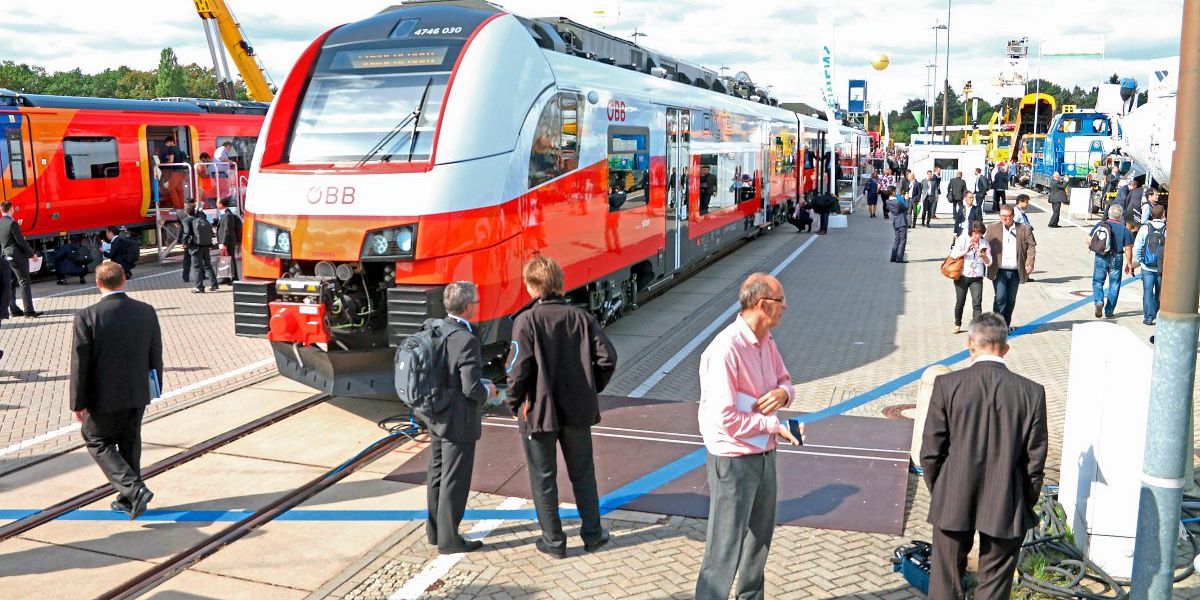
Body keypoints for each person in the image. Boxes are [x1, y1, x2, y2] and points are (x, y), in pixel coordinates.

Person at [921, 312, 1047, 600]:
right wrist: (1024, 502)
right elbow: (1034, 463)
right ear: (1005, 348)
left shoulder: (947, 385)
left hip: (953, 495)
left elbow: (930, 452)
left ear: (970, 345)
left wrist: (939, 489)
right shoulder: (1031, 393)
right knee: (995, 584)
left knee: (945, 582)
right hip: (1007, 498)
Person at [694, 273, 801, 600]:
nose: (786, 307)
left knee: (759, 542)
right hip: (733, 461)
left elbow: (785, 380)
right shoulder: (725, 350)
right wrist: (773, 426)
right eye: (782, 301)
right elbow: (725, 419)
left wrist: (784, 394)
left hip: (764, 455)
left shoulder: (766, 340)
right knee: (723, 548)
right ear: (763, 305)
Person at [505, 256, 618, 558]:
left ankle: (554, 542)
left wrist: (514, 403)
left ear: (531, 286)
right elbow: (608, 358)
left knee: (543, 478)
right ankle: (593, 534)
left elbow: (517, 370)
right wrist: (591, 387)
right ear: (559, 282)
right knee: (583, 474)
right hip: (577, 411)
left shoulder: (525, 321)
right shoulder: (580, 317)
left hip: (538, 413)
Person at [70, 260, 164, 520]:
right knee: (129, 441)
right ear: (124, 279)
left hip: (103, 395)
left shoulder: (87, 317)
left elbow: (80, 364)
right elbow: (155, 353)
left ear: (97, 284)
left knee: (96, 439)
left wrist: (78, 402)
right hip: (137, 391)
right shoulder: (146, 311)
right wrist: (155, 387)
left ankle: (134, 490)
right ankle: (128, 498)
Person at [420, 282, 495, 554]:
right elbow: (471, 389)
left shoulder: (433, 327)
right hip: (458, 420)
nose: (477, 304)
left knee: (437, 473)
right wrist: (489, 390)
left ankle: (435, 531)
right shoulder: (466, 340)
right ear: (467, 307)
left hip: (435, 414)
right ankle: (450, 540)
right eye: (475, 301)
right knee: (455, 479)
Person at [984, 205, 1036, 329]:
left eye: (1007, 216)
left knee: (1011, 300)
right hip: (999, 270)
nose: (1004, 218)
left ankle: (1006, 324)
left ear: (1012, 216)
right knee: (1001, 297)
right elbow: (984, 245)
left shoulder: (1023, 229)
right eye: (1002, 216)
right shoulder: (992, 228)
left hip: (1015, 271)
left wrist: (1030, 262)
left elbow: (1031, 246)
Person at [1089, 204, 1134, 319]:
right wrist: (1129, 264)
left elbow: (1089, 238)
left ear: (1109, 214)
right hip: (1117, 257)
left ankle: (1099, 301)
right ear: (1120, 215)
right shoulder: (1124, 229)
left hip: (1101, 256)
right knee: (1114, 284)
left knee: (1098, 281)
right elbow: (1128, 248)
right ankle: (1109, 311)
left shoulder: (1101, 224)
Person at [950, 221, 992, 333]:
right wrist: (965, 251)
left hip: (977, 277)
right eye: (975, 233)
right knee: (960, 301)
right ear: (971, 232)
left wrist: (984, 256)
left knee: (977, 303)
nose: (977, 236)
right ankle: (957, 324)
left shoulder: (984, 243)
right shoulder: (963, 239)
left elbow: (989, 262)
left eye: (980, 234)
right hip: (962, 276)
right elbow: (953, 254)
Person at [0, 201, 40, 318]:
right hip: (17, 257)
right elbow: (21, 242)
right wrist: (32, 254)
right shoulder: (12, 223)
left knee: (11, 283)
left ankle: (14, 310)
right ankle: (29, 311)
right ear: (11, 209)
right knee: (24, 282)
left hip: (6, 256)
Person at [1134, 204, 1166, 325]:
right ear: (1164, 214)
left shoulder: (1145, 228)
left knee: (1147, 291)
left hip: (1146, 266)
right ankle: (1158, 315)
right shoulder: (1167, 229)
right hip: (1161, 267)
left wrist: (1140, 260)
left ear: (1152, 214)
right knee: (1160, 292)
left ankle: (1148, 317)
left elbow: (1137, 246)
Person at [180, 203, 219, 292]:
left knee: (197, 267)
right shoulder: (201, 219)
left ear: (186, 212)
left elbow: (186, 233)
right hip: (205, 244)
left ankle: (199, 287)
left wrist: (184, 243)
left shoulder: (187, 221)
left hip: (195, 246)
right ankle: (214, 284)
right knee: (207, 265)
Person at [157, 138, 191, 210]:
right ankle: (182, 206)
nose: (166, 145)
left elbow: (171, 160)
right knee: (179, 189)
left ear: (170, 142)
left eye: (167, 143)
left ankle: (177, 206)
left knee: (171, 188)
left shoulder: (171, 149)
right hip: (182, 171)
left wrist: (163, 164)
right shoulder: (178, 149)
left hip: (175, 171)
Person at [216, 198, 243, 282]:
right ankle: (226, 277)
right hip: (225, 241)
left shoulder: (228, 215)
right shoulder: (225, 214)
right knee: (225, 259)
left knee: (230, 259)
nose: (216, 205)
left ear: (221, 204)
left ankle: (234, 277)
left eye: (217, 203)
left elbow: (227, 230)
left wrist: (224, 242)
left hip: (228, 242)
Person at [886, 190, 908, 263]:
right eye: (895, 191)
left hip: (895, 221)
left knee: (897, 240)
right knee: (902, 240)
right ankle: (899, 258)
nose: (896, 193)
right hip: (902, 222)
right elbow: (906, 207)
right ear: (892, 192)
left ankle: (893, 257)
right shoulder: (897, 202)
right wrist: (906, 199)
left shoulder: (888, 201)